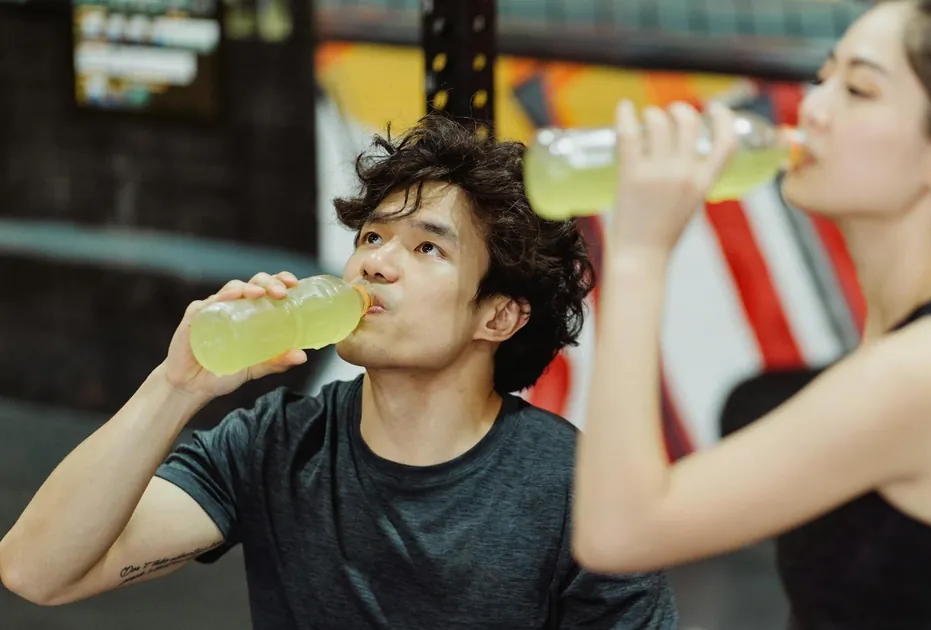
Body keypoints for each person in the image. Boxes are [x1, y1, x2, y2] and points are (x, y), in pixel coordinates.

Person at [571, 0, 931, 628]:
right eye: (824, 76)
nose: (812, 107)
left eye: (859, 90)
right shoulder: (929, 327)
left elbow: (619, 533)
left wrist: (638, 253)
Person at [0, 114, 678, 629]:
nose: (374, 264)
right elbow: (37, 571)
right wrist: (177, 386)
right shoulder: (274, 443)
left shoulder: (575, 489)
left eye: (427, 249)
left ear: (497, 318)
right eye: (372, 237)